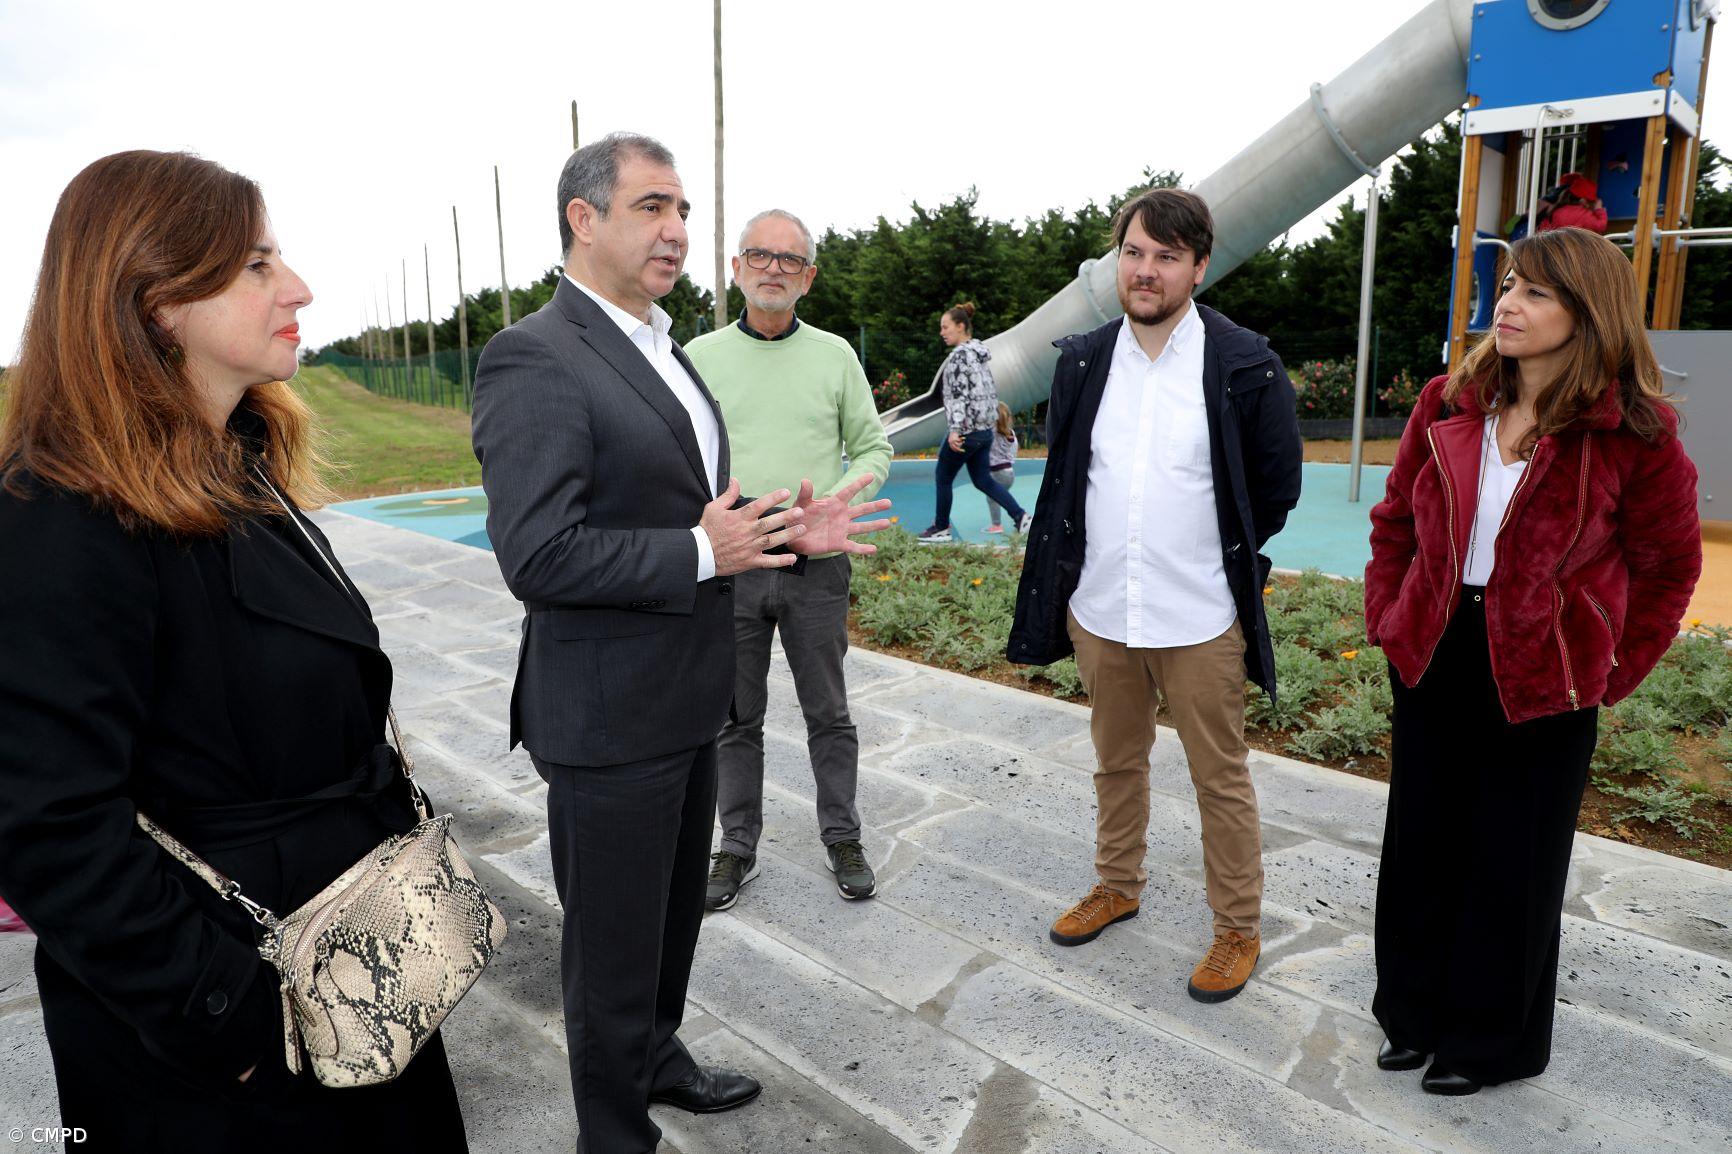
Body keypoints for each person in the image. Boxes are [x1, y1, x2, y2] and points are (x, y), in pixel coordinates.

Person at [0, 151, 468, 1152]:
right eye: (256, 264)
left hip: (348, 979)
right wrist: (234, 1023)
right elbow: (47, 823)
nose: (295, 286)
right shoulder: (59, 517)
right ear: (157, 301)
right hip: (228, 1045)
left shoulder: (236, 465)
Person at [469, 133, 888, 1153]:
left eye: (684, 211)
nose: (678, 231)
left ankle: (657, 1056)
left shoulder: (658, 347)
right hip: (608, 720)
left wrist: (786, 531)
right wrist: (703, 552)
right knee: (608, 958)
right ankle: (613, 1132)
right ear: (583, 217)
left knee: (665, 931)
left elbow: (692, 508)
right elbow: (539, 553)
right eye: (654, 207)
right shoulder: (534, 353)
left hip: (683, 702)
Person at [1364, 227, 1700, 1096]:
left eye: (1536, 292)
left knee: (1512, 865)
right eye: (1508, 285)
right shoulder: (1449, 399)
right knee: (1421, 847)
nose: (1507, 304)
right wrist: (1388, 619)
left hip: (1548, 673)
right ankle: (1411, 1015)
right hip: (1437, 649)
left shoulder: (1635, 431)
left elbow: (1669, 567)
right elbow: (1396, 520)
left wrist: (1610, 669)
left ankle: (1485, 1043)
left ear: (1588, 312)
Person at [1008, 187, 1302, 1004]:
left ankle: (1236, 929)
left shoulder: (1244, 364)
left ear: (1198, 267)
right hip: (1103, 610)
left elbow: (1275, 490)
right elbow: (1072, 479)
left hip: (1200, 617)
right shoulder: (1083, 360)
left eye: (1167, 257)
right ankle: (1118, 884)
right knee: (1116, 763)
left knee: (1221, 779)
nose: (1146, 270)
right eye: (1134, 253)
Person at [685, 209, 894, 911]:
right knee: (732, 718)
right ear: (737, 269)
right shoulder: (700, 356)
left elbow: (873, 446)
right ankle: (736, 846)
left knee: (828, 712)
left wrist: (832, 503)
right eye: (760, 256)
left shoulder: (834, 355)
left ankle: (842, 835)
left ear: (808, 278)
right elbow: (676, 455)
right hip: (733, 563)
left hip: (816, 564)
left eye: (790, 260)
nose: (774, 269)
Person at [916, 303, 1031, 543]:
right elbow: (988, 391)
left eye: (945, 327)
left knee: (943, 477)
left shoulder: (958, 357)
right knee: (983, 480)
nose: (942, 332)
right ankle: (1021, 517)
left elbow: (959, 396)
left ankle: (941, 528)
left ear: (960, 326)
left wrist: (955, 430)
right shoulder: (979, 355)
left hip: (967, 431)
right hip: (984, 431)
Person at [982, 402, 1019, 533]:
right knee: (1001, 497)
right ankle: (1018, 518)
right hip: (1009, 472)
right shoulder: (1011, 434)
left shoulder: (992, 433)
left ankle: (997, 525)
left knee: (992, 498)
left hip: (998, 472)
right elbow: (1014, 451)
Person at [1538, 174, 1608, 234]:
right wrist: (1599, 209)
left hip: (1557, 247)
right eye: (1590, 201)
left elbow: (1543, 229)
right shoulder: (1584, 214)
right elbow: (1600, 226)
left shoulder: (1556, 210)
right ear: (1583, 201)